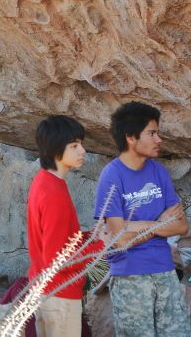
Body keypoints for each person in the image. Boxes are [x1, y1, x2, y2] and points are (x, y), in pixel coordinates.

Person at [94, 101, 190, 336]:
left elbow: (181, 225)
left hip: (165, 272)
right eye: (152, 133)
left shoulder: (159, 172)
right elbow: (118, 239)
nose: (159, 140)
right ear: (130, 137)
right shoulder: (111, 176)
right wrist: (158, 224)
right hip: (130, 276)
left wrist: (134, 227)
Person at [27, 115, 102, 337]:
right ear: (54, 150)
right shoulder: (54, 193)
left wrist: (91, 236)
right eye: (74, 146)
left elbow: (59, 240)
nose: (83, 151)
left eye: (81, 144)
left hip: (42, 289)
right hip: (59, 293)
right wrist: (101, 245)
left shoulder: (43, 181)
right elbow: (58, 259)